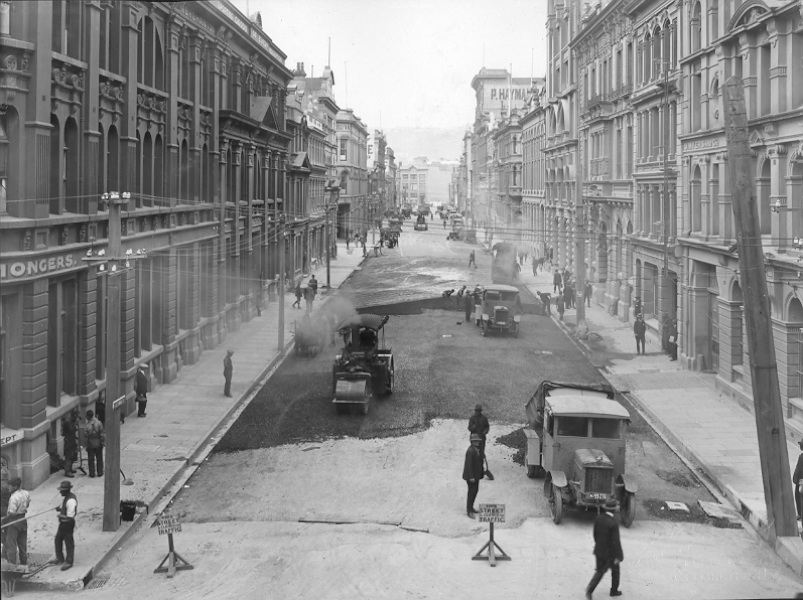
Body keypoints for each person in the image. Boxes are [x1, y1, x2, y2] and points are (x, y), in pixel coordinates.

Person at [585, 498, 624, 599]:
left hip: (599, 551)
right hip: (610, 554)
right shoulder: (613, 523)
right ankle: (613, 591)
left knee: (599, 571)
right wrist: (619, 556)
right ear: (614, 510)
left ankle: (590, 591)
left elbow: (595, 534)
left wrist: (599, 545)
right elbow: (616, 542)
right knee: (615, 572)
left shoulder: (599, 518)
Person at [4, 477, 31, 565]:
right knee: (22, 543)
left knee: (11, 543)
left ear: (15, 486)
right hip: (23, 519)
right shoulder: (26, 493)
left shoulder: (13, 498)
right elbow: (28, 504)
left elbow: (11, 513)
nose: (9, 488)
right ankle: (24, 561)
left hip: (14, 521)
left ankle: (11, 564)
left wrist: (4, 519)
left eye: (10, 486)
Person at [54, 480, 77, 571]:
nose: (60, 492)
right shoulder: (67, 498)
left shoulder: (71, 500)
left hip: (68, 523)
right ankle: (60, 559)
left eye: (62, 490)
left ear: (66, 491)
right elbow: (65, 508)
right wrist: (60, 509)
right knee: (58, 540)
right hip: (63, 523)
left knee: (69, 542)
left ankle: (69, 561)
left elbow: (70, 516)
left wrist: (60, 515)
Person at [463, 434, 485, 519]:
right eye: (475, 441)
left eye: (478, 441)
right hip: (471, 477)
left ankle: (471, 508)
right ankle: (469, 511)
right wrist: (471, 477)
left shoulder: (477, 449)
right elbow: (468, 465)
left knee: (475, 491)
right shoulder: (470, 451)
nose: (478, 442)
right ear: (472, 442)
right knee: (471, 493)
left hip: (476, 476)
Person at [468, 404, 493, 479]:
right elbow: (469, 428)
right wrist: (473, 427)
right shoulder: (472, 418)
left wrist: (485, 431)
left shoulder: (484, 418)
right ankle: (473, 469)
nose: (477, 412)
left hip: (482, 438)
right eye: (476, 411)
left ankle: (480, 470)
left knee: (481, 454)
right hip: (474, 438)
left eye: (478, 411)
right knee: (474, 453)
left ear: (480, 411)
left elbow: (487, 426)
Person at [84, 410, 105, 478]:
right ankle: (100, 472)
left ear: (88, 417)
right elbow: (102, 433)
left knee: (91, 459)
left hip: (90, 443)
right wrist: (103, 442)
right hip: (98, 442)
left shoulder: (87, 425)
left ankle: (92, 473)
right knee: (99, 458)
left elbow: (85, 434)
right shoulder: (99, 423)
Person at [62, 411, 78, 477]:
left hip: (72, 441)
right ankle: (67, 471)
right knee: (68, 456)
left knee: (72, 456)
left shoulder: (72, 423)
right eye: (77, 417)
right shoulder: (68, 423)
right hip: (68, 442)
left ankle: (70, 468)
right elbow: (71, 430)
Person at [793, 439, 803, 521]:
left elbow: (798, 470)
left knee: (798, 496)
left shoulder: (801, 457)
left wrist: (795, 480)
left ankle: (800, 514)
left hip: (801, 482)